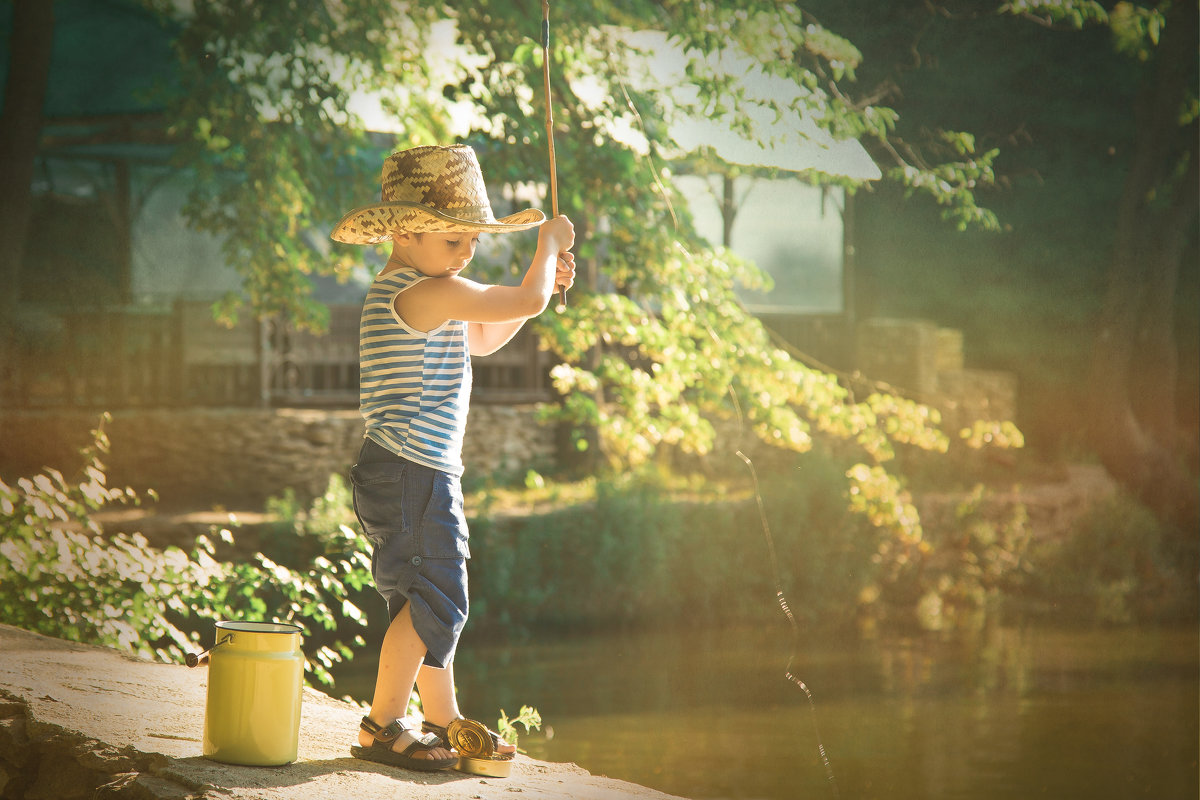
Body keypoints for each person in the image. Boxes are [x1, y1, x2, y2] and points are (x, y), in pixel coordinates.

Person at [330, 144, 575, 771]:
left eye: (471, 243)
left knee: (423, 597)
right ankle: (382, 725)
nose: (465, 254)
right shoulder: (424, 293)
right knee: (442, 593)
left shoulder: (422, 291)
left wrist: (539, 280)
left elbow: (491, 333)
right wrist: (544, 254)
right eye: (454, 241)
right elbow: (524, 301)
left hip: (405, 469)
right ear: (407, 232)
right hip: (413, 468)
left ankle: (441, 718)